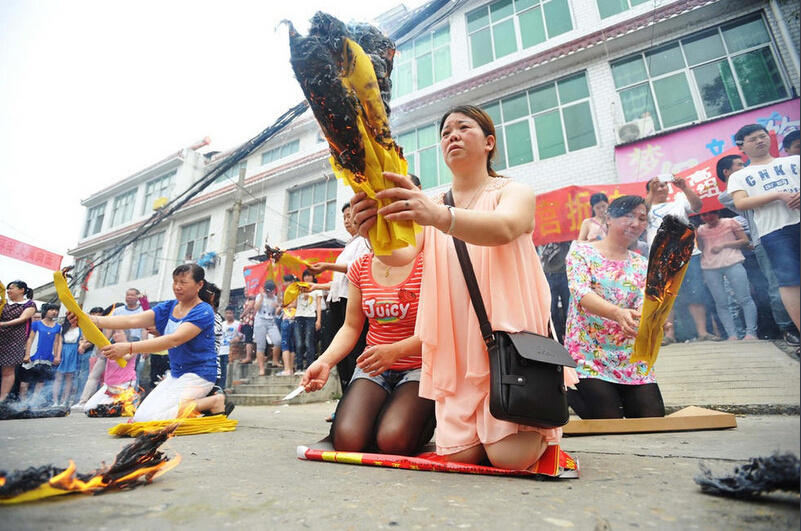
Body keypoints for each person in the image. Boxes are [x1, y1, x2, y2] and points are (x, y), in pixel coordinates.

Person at [350, 105, 577, 470]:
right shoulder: (435, 204)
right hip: (456, 343)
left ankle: (534, 428)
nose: (451, 135)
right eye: (445, 133)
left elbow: (505, 227)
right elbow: (401, 254)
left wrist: (438, 216)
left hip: (508, 340)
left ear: (489, 142)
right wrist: (373, 232)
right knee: (457, 455)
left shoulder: (513, 191)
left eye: (462, 127)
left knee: (511, 458)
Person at [302, 249, 435, 454]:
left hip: (420, 367)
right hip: (374, 367)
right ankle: (382, 419)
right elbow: (351, 327)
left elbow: (441, 329)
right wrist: (325, 361)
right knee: (347, 440)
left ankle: (418, 418)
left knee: (394, 441)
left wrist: (396, 351)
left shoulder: (428, 262)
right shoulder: (360, 267)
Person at [68, 264, 227, 421]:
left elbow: (174, 339)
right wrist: (90, 319)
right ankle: (198, 404)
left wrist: (129, 347)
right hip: (176, 374)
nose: (177, 287)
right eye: (175, 281)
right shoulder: (169, 307)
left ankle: (213, 401)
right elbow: (132, 319)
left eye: (183, 282)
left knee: (151, 418)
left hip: (199, 374)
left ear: (199, 285)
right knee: (140, 417)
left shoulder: (203, 310)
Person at [565, 195, 665, 419]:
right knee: (607, 417)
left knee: (652, 417)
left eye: (641, 218)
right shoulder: (581, 252)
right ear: (609, 218)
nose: (636, 223)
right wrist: (617, 313)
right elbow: (580, 292)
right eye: (628, 216)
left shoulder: (641, 264)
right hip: (589, 353)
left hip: (628, 357)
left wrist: (652, 322)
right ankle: (565, 389)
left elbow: (642, 303)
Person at [716, 154, 799, 346]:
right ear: (727, 172)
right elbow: (733, 198)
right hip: (766, 237)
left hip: (791, 228)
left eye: (744, 163)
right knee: (778, 284)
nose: (744, 167)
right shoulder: (734, 191)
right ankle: (787, 328)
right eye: (738, 165)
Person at [308, 202, 371, 390]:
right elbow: (339, 283)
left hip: (352, 301)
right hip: (338, 301)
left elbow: (357, 268)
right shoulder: (348, 246)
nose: (346, 220)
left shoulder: (365, 241)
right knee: (338, 353)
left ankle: (354, 397)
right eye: (343, 217)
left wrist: (327, 266)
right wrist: (315, 286)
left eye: (349, 215)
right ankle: (345, 399)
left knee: (353, 352)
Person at [645, 175, 714, 344]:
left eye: (663, 185)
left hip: (687, 254)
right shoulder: (646, 208)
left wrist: (684, 186)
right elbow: (640, 214)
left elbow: (698, 206)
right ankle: (669, 335)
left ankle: (702, 332)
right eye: (656, 186)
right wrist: (650, 195)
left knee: (696, 294)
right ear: (650, 190)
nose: (661, 188)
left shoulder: (679, 200)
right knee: (666, 297)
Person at [696, 210, 758, 340]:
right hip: (710, 267)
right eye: (704, 215)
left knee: (744, 298)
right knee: (721, 302)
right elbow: (701, 248)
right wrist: (696, 236)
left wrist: (725, 245)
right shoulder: (700, 230)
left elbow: (745, 241)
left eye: (711, 213)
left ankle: (751, 333)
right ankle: (732, 335)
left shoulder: (730, 222)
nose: (708, 217)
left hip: (733, 262)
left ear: (717, 213)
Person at [83, 329, 138, 414]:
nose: (115, 335)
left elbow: (126, 357)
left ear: (126, 334)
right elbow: (99, 354)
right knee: (88, 408)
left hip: (124, 384)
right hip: (109, 385)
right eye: (114, 333)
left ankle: (129, 403)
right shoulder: (111, 347)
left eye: (119, 332)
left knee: (107, 409)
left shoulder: (131, 347)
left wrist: (112, 352)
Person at [0, 280, 36, 401]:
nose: (9, 291)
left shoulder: (29, 304)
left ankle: (2, 398)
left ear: (22, 290)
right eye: (8, 288)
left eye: (12, 288)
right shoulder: (3, 303)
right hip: (1, 337)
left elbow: (23, 319)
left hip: (14, 340)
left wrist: (3, 324)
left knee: (8, 370)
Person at [21, 303, 62, 404]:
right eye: (51, 309)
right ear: (46, 311)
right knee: (25, 380)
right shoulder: (36, 324)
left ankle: (34, 402)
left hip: (47, 357)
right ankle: (22, 402)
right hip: (33, 355)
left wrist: (57, 356)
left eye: (56, 310)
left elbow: (57, 342)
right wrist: (27, 354)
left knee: (41, 381)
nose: (54, 312)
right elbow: (30, 339)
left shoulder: (58, 327)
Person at [537, 241, 572, 343]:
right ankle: (557, 339)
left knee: (568, 309)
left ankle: (568, 336)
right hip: (549, 274)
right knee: (552, 311)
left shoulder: (564, 236)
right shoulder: (541, 236)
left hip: (564, 273)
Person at [114, 288, 147, 388]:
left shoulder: (143, 311)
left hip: (135, 343)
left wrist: (145, 346)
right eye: (128, 295)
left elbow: (144, 329)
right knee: (118, 369)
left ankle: (131, 393)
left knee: (133, 371)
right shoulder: (118, 311)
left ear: (137, 297)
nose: (129, 297)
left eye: (132, 295)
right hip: (119, 342)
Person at [72, 306, 105, 407]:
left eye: (98, 314)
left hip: (99, 352)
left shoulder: (104, 325)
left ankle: (96, 400)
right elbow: (84, 337)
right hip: (91, 354)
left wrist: (84, 344)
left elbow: (94, 339)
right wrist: (82, 343)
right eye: (93, 314)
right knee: (86, 377)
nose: (95, 316)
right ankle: (83, 400)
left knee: (101, 379)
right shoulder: (87, 325)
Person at [294, 269, 322, 373]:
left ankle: (309, 366)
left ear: (313, 277)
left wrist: (318, 320)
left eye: (309, 275)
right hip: (298, 317)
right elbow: (294, 304)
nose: (307, 278)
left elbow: (319, 305)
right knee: (299, 343)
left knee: (308, 342)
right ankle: (299, 366)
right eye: (305, 276)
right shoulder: (298, 288)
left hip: (310, 317)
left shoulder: (317, 289)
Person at [254, 280, 282, 376]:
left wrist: (278, 308)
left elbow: (278, 312)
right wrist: (262, 297)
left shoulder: (275, 298)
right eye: (267, 291)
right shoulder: (260, 296)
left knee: (278, 340)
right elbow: (256, 309)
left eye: (271, 291)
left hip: (271, 321)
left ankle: (275, 361)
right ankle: (261, 368)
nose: (269, 292)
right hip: (260, 321)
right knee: (261, 345)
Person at [52, 318, 81, 406]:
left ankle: (64, 401)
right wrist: (57, 355)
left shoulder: (80, 329)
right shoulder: (63, 328)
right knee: (58, 378)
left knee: (69, 378)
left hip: (74, 351)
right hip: (64, 350)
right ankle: (55, 401)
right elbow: (59, 343)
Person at [219, 305, 241, 390]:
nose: (228, 315)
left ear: (234, 314)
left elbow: (241, 336)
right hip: (221, 350)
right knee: (221, 370)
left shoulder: (238, 324)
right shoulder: (221, 325)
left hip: (231, 351)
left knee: (227, 369)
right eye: (227, 313)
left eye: (230, 313)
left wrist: (237, 339)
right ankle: (221, 387)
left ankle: (226, 386)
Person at [238, 296, 256, 363]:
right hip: (247, 321)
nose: (245, 291)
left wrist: (242, 314)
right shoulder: (248, 299)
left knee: (248, 340)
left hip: (250, 321)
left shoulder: (252, 299)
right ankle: (248, 357)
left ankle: (248, 357)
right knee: (247, 339)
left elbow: (250, 306)